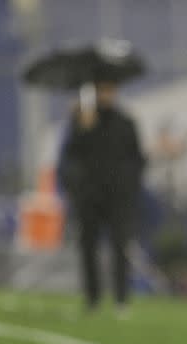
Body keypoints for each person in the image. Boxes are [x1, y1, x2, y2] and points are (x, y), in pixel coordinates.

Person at [58, 82, 145, 313]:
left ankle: (121, 299)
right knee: (88, 246)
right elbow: (69, 156)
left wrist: (129, 187)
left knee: (120, 247)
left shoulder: (125, 122)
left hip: (118, 196)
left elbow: (137, 159)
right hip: (88, 196)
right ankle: (92, 298)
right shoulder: (82, 120)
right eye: (102, 89)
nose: (107, 94)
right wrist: (80, 127)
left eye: (110, 89)